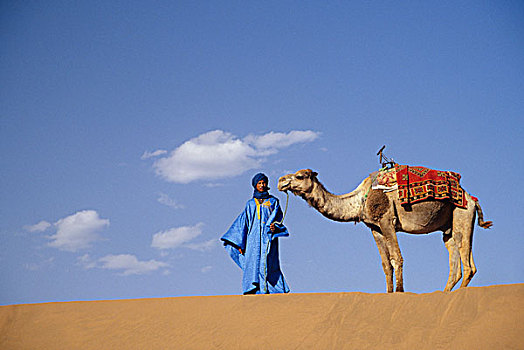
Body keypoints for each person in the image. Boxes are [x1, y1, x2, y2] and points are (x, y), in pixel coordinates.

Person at [221, 173, 290, 294]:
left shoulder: (274, 202)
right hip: (252, 240)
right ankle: (255, 290)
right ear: (255, 185)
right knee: (253, 263)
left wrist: (275, 227)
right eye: (259, 183)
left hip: (268, 239)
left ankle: (273, 290)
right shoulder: (250, 204)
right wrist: (239, 244)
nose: (262, 185)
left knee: (270, 263)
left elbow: (279, 218)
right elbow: (243, 223)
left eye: (264, 183)